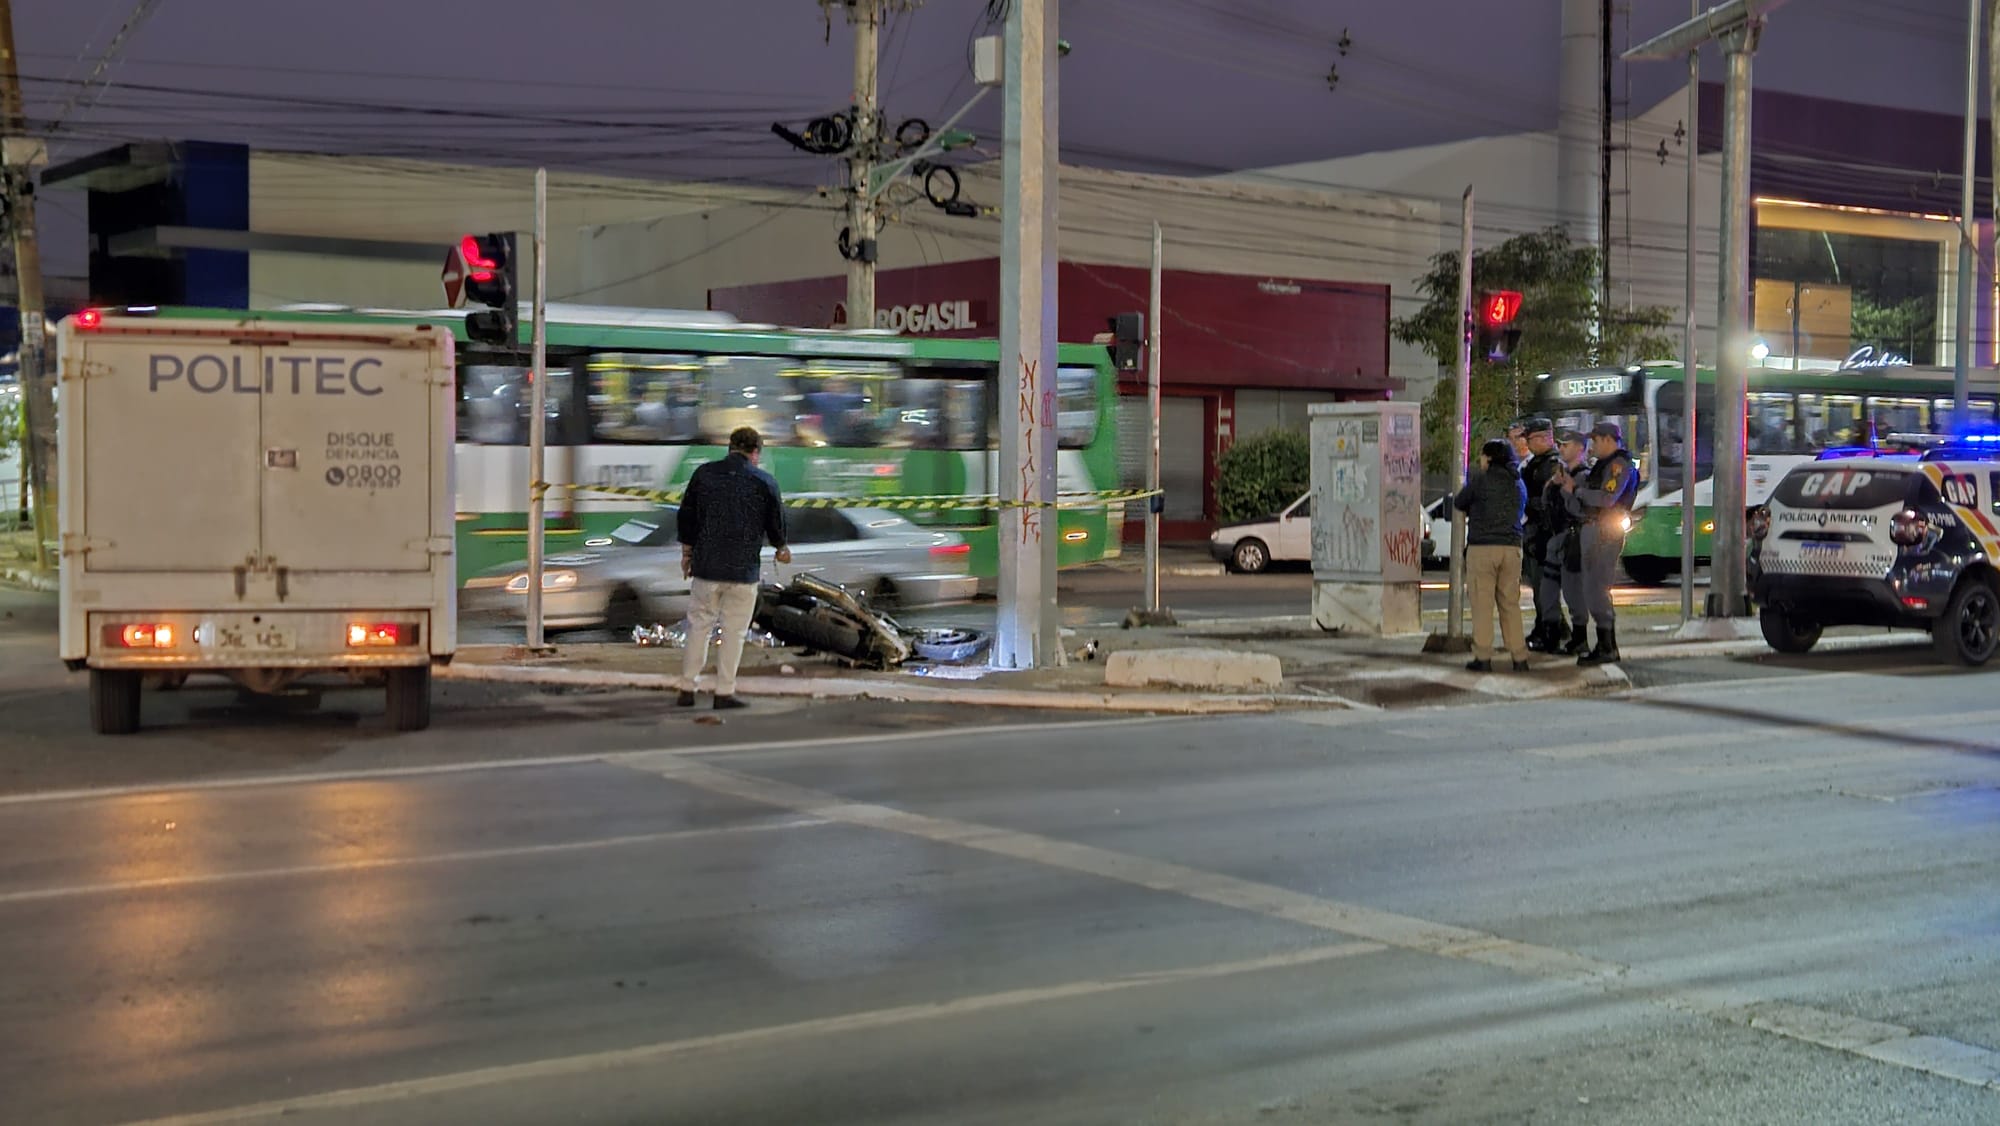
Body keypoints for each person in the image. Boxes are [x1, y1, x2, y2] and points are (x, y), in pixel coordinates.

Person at [676, 427, 790, 709]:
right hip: (742, 572)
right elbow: (776, 524)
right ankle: (724, 693)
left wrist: (687, 554)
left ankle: (687, 689)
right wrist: (781, 547)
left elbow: (686, 517)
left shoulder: (704, 475)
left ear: (730, 448)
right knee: (733, 633)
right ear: (755, 453)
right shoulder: (765, 482)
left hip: (706, 568)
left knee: (698, 628)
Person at [1561, 420, 1639, 665]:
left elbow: (1607, 498)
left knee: (1596, 588)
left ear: (1608, 439)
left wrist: (1577, 491)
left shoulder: (1618, 465)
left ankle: (1607, 645)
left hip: (1604, 531)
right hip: (1594, 529)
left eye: (1595, 440)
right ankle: (1604, 643)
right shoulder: (1604, 465)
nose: (1592, 446)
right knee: (1590, 588)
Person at [1454, 438, 1530, 673]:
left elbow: (1459, 501)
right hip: (1512, 549)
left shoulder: (1480, 480)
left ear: (1489, 457)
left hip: (1483, 548)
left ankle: (1483, 657)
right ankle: (1519, 657)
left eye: (1482, 456)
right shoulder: (1518, 483)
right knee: (1510, 603)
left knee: (1482, 605)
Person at [1541, 429, 1592, 656]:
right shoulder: (1561, 474)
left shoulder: (1584, 476)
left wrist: (1566, 490)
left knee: (1573, 591)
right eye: (1560, 445)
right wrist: (1553, 485)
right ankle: (1551, 632)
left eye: (1567, 445)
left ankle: (1579, 638)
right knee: (1548, 590)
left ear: (1580, 448)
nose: (1561, 449)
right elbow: (1546, 503)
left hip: (1574, 539)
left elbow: (1581, 511)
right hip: (1556, 539)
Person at [1517, 418, 1565, 651]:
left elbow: (1549, 502)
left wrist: (1527, 503)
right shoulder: (1537, 463)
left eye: (1531, 438)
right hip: (1537, 532)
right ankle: (1548, 628)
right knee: (1541, 589)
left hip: (1544, 534)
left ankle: (1550, 632)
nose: (1527, 443)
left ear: (1545, 437)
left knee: (1545, 589)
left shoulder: (1551, 465)